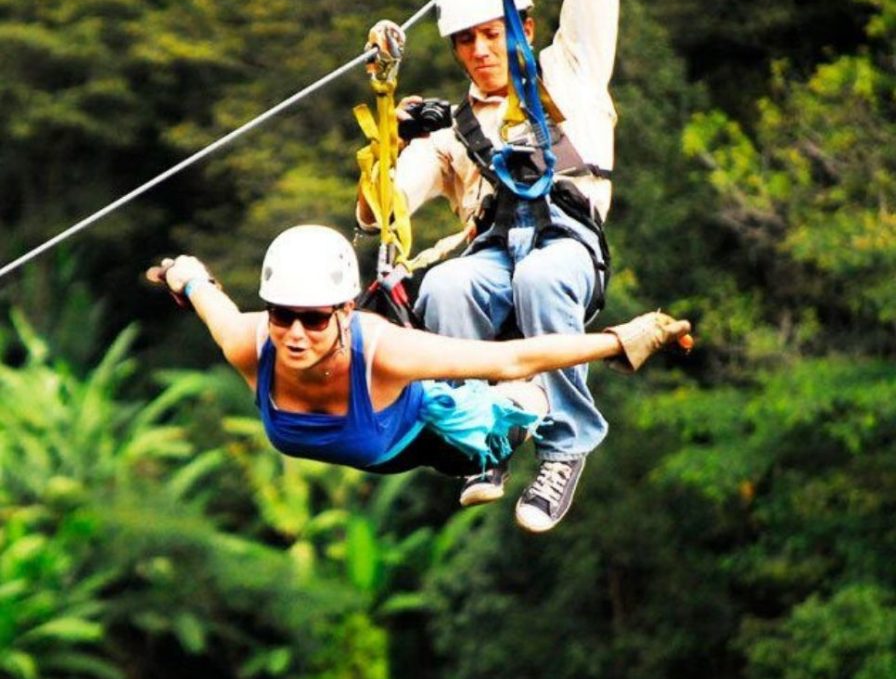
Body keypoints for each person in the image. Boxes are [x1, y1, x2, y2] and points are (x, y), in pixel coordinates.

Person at [357, 0, 620, 530]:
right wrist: (388, 132)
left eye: (491, 34)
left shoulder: (574, 67)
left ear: (523, 28)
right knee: (443, 289)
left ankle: (565, 446)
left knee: (539, 278)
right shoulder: (451, 133)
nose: (478, 51)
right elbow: (379, 213)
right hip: (493, 258)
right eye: (464, 41)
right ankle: (486, 437)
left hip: (566, 249)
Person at [149, 225, 690, 533]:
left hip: (434, 437)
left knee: (487, 423)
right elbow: (206, 296)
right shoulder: (249, 341)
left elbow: (513, 359)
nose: (294, 334)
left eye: (313, 318)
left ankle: (528, 414)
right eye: (281, 314)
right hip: (376, 442)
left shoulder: (383, 352)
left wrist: (623, 341)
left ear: (344, 309)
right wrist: (184, 273)